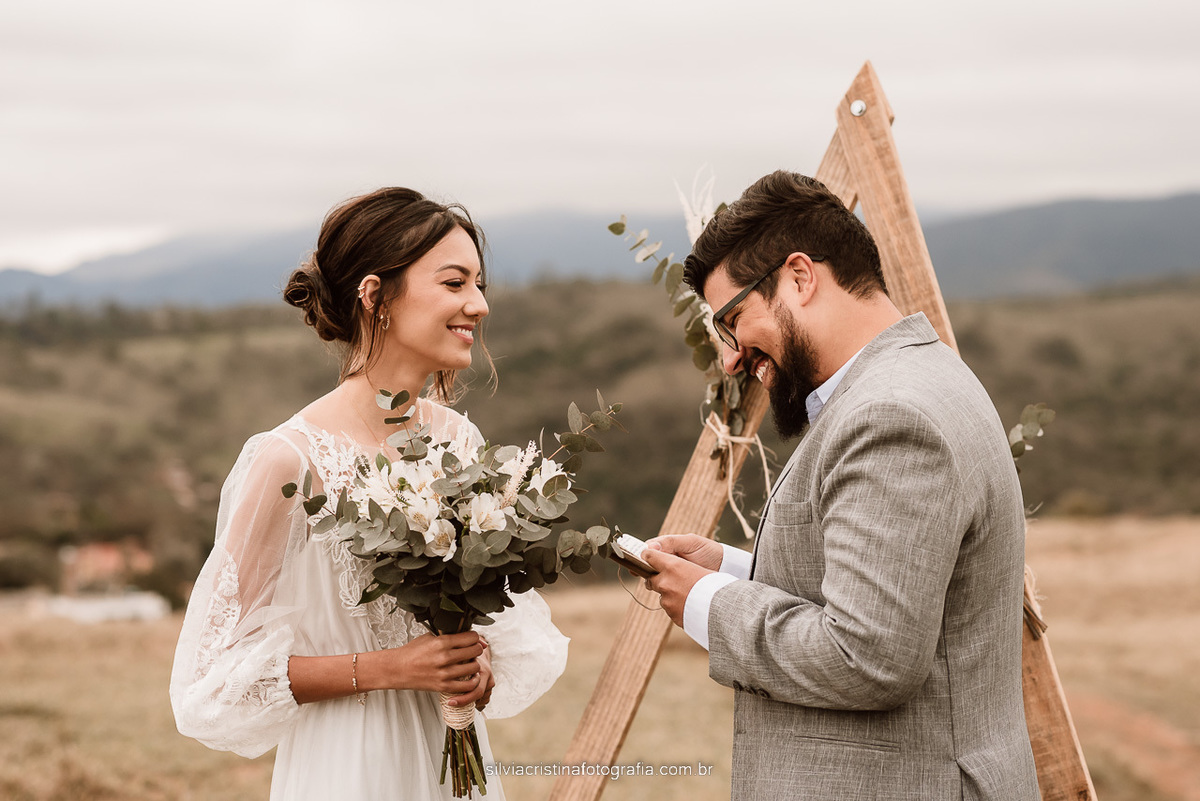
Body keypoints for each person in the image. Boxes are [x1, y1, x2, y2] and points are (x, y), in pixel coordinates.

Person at [641, 171, 1040, 800]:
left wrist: (709, 604)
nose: (730, 357)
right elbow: (887, 595)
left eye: (732, 319)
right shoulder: (914, 379)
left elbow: (869, 656)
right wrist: (735, 571)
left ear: (800, 277)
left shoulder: (891, 415)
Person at [170, 187, 568, 800]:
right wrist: (387, 668)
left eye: (480, 285)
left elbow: (504, 632)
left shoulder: (458, 440)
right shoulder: (288, 461)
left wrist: (476, 668)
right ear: (376, 295)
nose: (480, 305)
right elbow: (215, 684)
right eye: (455, 283)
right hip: (344, 765)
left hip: (450, 755)